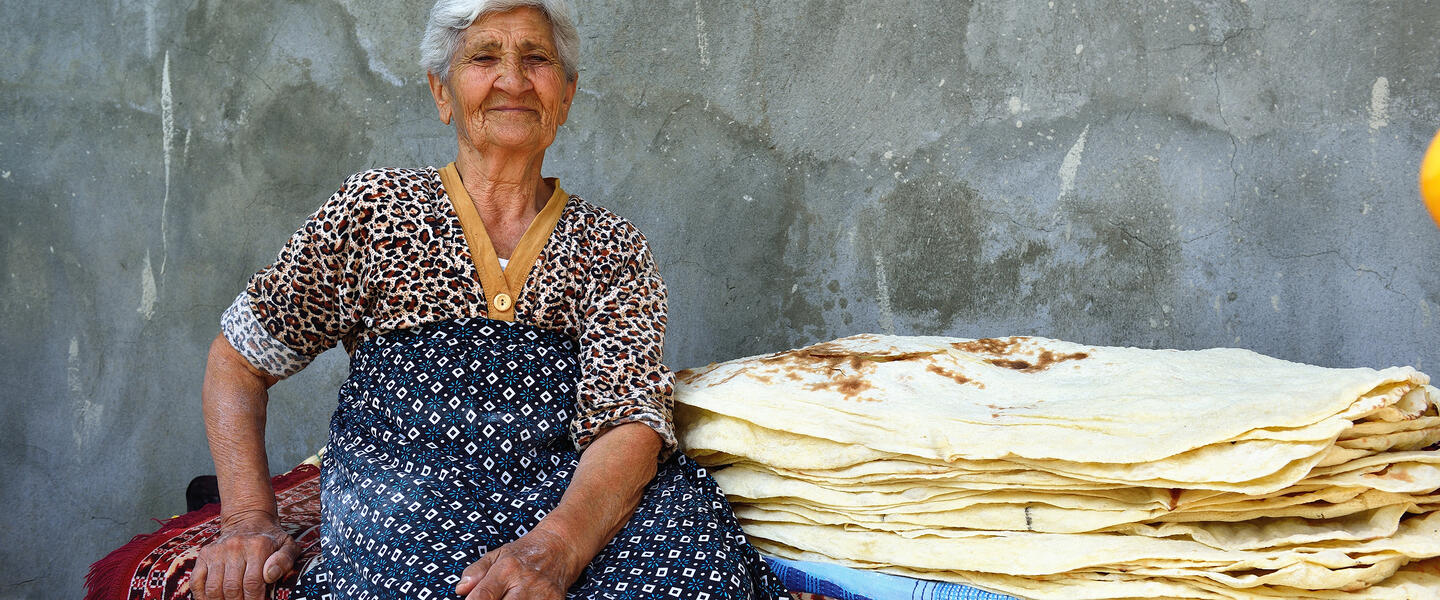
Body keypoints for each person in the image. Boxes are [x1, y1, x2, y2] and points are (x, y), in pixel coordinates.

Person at [191, 1, 790, 598]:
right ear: (441, 91)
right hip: (409, 491)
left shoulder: (612, 245)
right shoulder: (376, 211)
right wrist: (247, 521)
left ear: (567, 94)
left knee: (696, 572)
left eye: (537, 59)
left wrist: (553, 549)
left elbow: (628, 423)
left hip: (573, 502)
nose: (512, 79)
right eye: (484, 57)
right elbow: (239, 360)